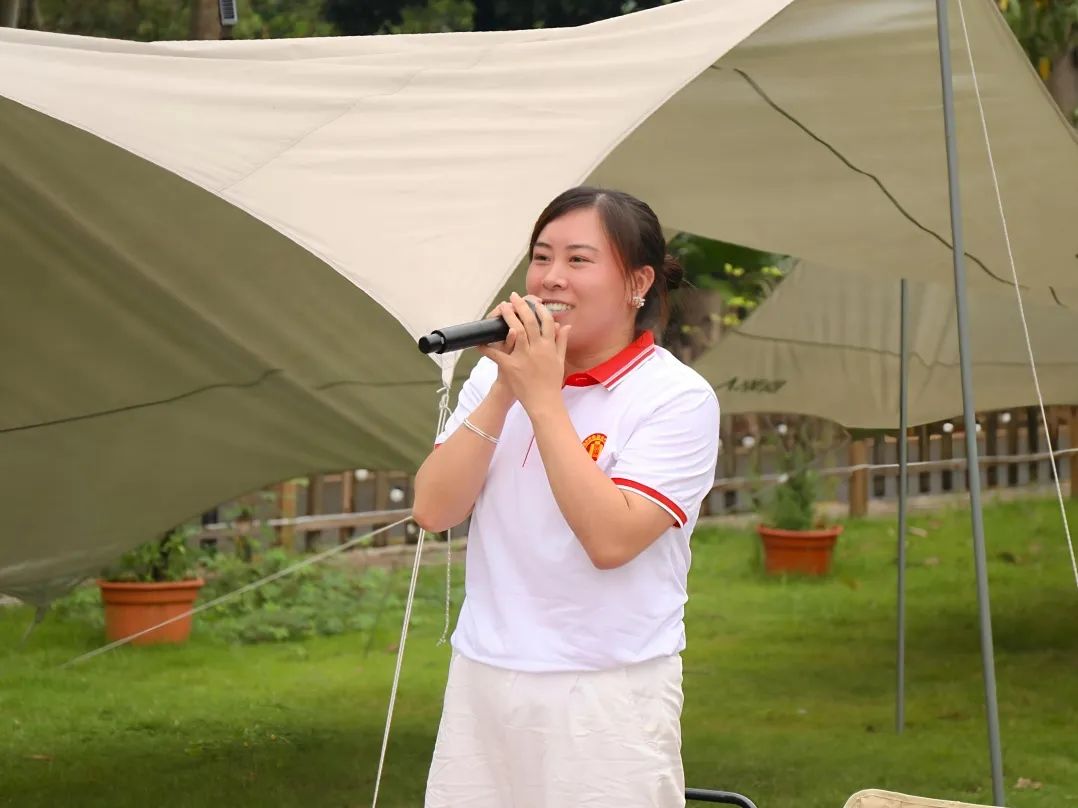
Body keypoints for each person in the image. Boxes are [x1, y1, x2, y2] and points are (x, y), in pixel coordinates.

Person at [413, 186, 721, 808]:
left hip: (605, 691)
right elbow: (434, 510)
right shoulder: (497, 378)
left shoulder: (676, 398)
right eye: (541, 257)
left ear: (637, 283)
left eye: (579, 259)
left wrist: (543, 397)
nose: (551, 278)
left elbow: (611, 541)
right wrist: (506, 388)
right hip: (483, 672)